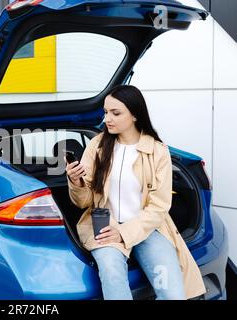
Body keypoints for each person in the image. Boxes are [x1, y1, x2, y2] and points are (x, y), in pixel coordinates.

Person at [66, 85, 206, 300]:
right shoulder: (97, 145)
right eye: (105, 112)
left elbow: (159, 206)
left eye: (116, 113)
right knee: (112, 276)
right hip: (105, 227)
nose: (107, 119)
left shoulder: (158, 151)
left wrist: (124, 232)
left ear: (134, 115)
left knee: (172, 291)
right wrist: (76, 181)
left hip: (148, 228)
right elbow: (83, 202)